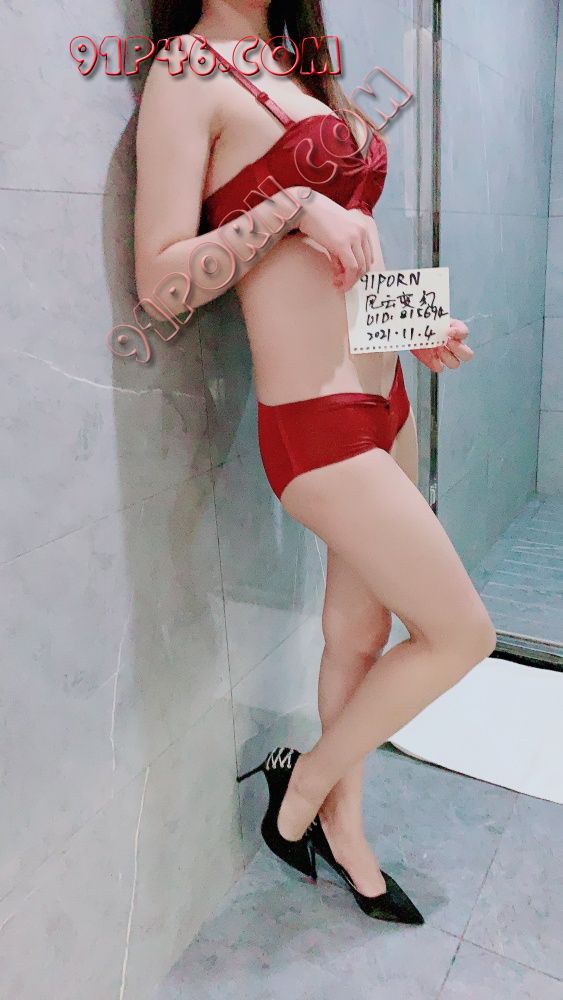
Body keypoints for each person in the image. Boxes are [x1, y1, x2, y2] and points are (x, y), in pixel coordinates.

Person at [134, 0, 497, 924]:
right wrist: (292, 206)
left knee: (358, 637)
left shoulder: (297, 66)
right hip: (317, 421)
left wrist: (414, 323)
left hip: (384, 392)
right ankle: (298, 797)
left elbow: (345, 255)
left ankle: (347, 829)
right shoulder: (186, 69)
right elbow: (162, 282)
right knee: (461, 636)